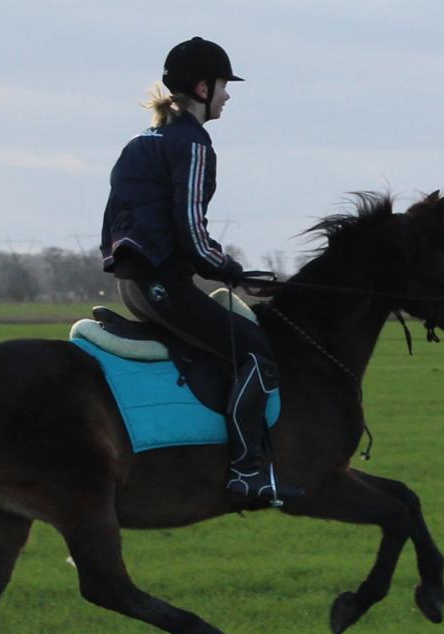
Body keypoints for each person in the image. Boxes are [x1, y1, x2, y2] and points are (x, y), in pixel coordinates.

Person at [100, 36, 303, 508]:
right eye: (223, 86)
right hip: (161, 286)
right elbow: (191, 230)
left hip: (133, 284)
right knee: (255, 351)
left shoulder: (144, 140)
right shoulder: (192, 144)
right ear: (201, 87)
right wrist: (233, 273)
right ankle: (247, 472)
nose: (228, 95)